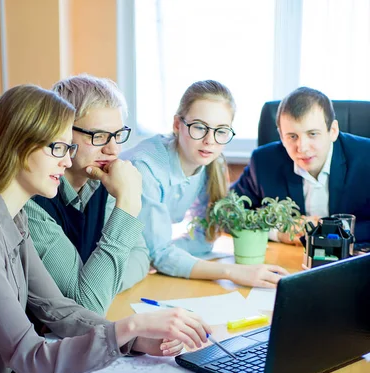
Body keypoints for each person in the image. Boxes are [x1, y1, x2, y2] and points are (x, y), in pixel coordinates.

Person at [0, 84, 211, 373]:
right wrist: (131, 325)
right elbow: (31, 356)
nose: (67, 160)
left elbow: (57, 309)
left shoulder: (12, 215)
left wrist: (138, 339)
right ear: (19, 148)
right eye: (58, 147)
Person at [122, 80, 288, 288]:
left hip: (139, 260)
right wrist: (232, 272)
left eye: (221, 131)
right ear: (177, 125)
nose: (210, 140)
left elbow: (201, 238)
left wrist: (164, 254)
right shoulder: (145, 168)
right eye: (199, 127)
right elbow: (161, 255)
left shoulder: (210, 162)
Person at [24, 74, 150, 315]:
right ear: (60, 132)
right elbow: (87, 306)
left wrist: (99, 284)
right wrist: (128, 204)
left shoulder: (105, 180)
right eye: (98, 136)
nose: (113, 150)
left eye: (117, 135)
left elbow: (142, 257)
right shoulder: (32, 198)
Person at [231, 86, 370, 244]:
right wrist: (277, 232)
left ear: (333, 130)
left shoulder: (366, 156)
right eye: (292, 136)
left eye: (312, 134)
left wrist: (328, 230)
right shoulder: (263, 161)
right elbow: (227, 213)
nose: (302, 147)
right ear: (281, 137)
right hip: (288, 261)